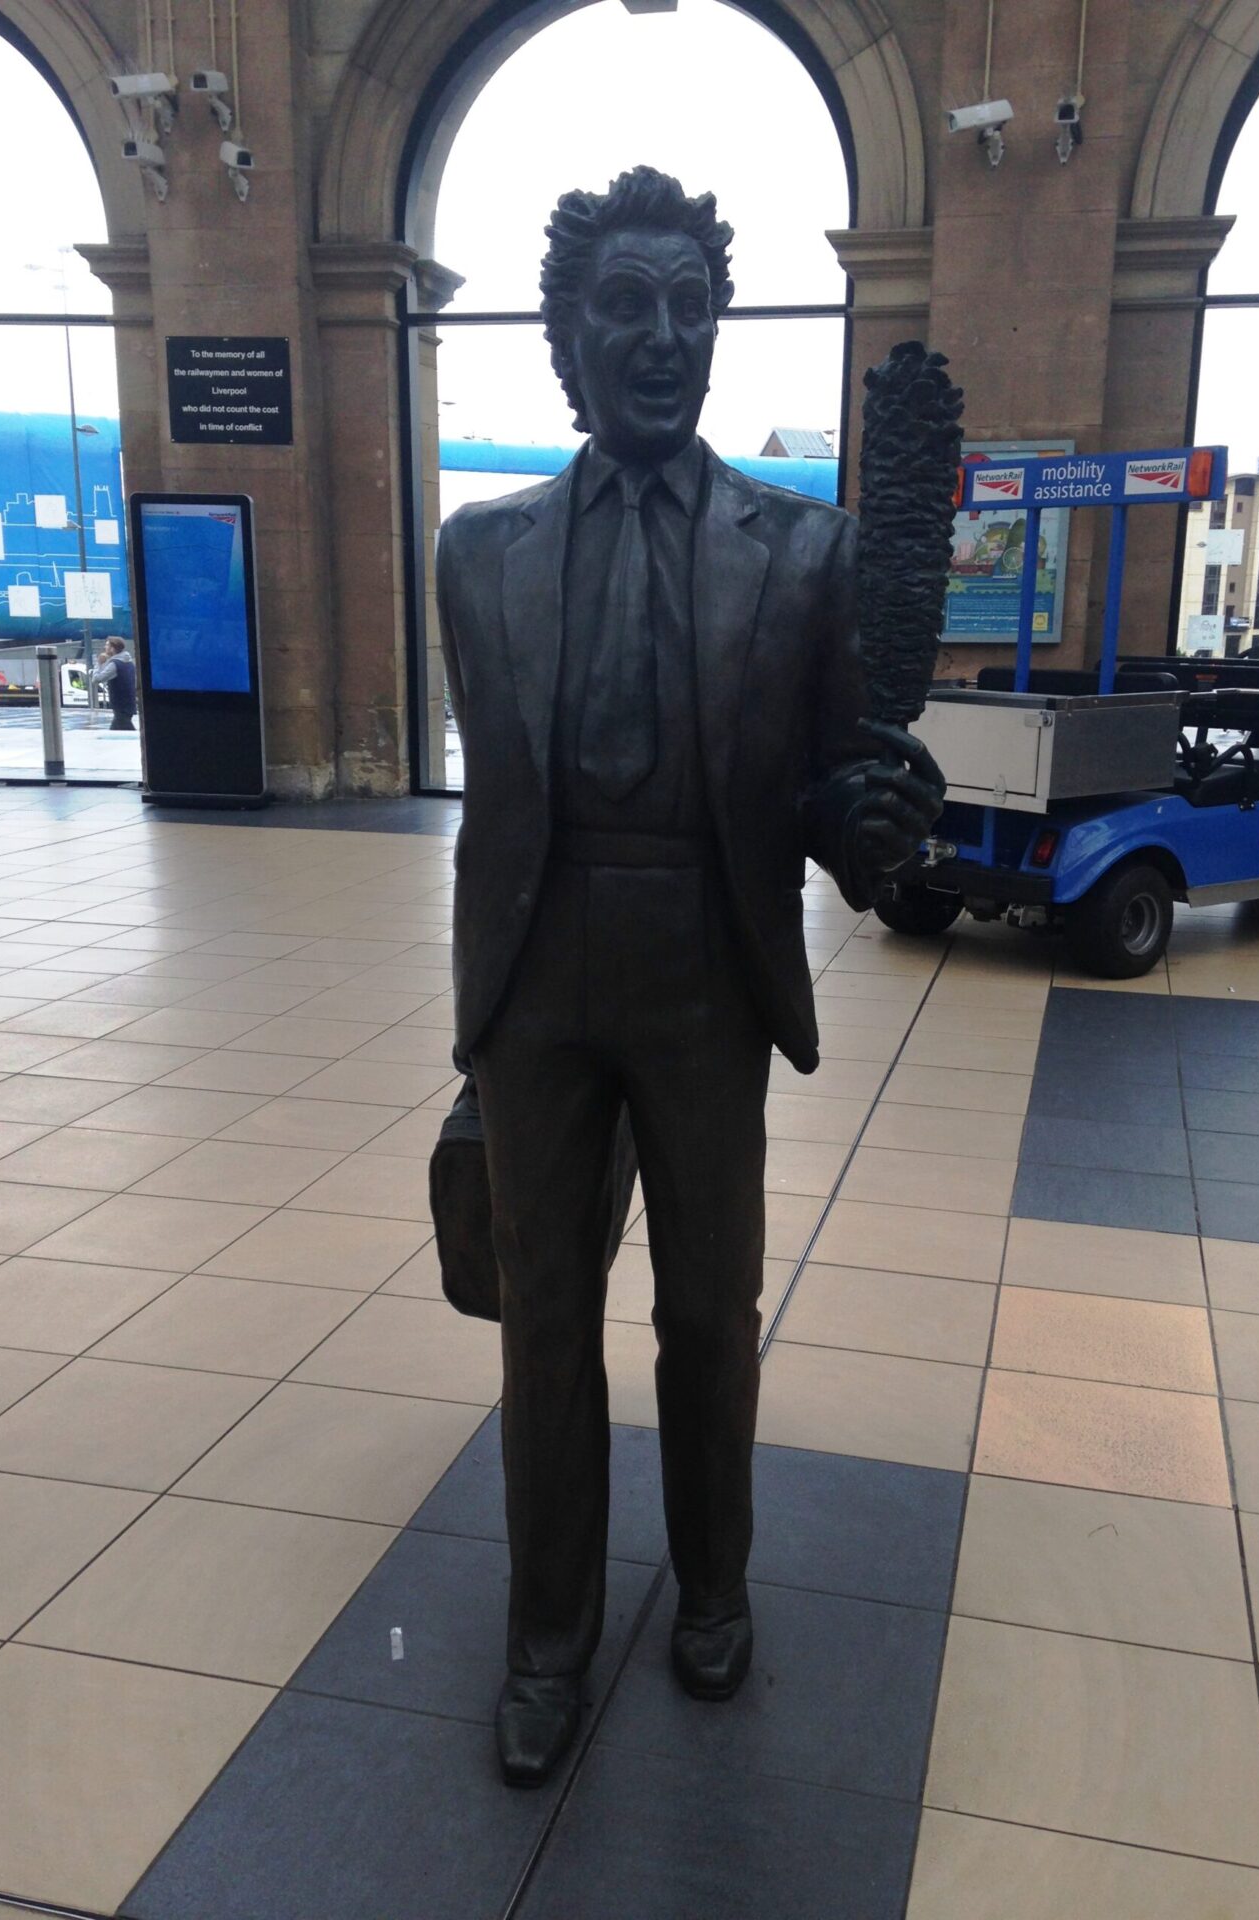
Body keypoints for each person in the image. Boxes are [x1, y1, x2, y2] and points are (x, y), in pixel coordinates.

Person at [436, 166, 945, 1788]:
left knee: (709, 1314)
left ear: (714, 328)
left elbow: (827, 797)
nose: (660, 337)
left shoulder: (802, 555)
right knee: (541, 1326)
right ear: (567, 337)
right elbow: (503, 800)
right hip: (539, 988)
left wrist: (874, 819)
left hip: (707, 976)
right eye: (624, 307)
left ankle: (714, 1586)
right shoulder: (479, 552)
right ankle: (548, 1635)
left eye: (689, 307)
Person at [91, 637, 137, 730]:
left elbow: (96, 679)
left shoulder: (115, 664)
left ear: (113, 648)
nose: (105, 647)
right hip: (128, 703)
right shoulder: (129, 662)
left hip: (120, 705)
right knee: (121, 730)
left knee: (122, 729)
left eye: (107, 645)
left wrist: (98, 663)